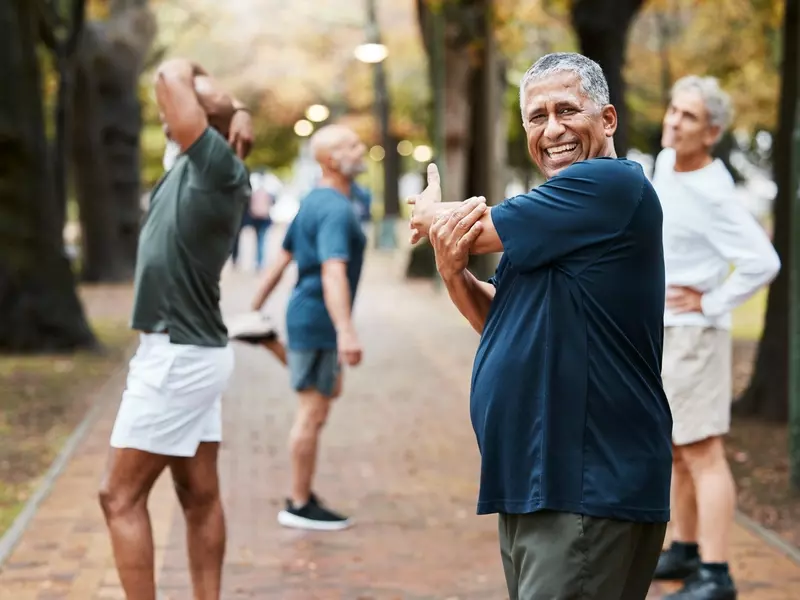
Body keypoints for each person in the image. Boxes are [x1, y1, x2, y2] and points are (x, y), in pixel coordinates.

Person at [409, 52, 672, 600]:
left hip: (586, 483)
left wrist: (430, 215)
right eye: (536, 116)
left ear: (607, 120)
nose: (551, 130)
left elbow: (465, 228)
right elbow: (500, 314)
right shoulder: (561, 213)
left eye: (566, 110)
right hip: (538, 482)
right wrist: (452, 271)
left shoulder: (608, 185)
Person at [98, 58, 253, 600]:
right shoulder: (194, 160)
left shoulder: (216, 167)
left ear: (203, 121)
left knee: (118, 497)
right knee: (198, 495)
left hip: (177, 358)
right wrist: (240, 108)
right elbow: (179, 90)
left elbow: (167, 73)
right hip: (191, 351)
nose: (167, 108)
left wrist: (213, 92)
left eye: (186, 103)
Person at [650, 76, 781, 600]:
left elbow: (762, 261)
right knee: (679, 449)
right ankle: (684, 548)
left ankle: (717, 572)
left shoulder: (715, 192)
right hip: (664, 330)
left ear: (712, 133)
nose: (674, 121)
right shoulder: (665, 165)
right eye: (673, 110)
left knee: (704, 451)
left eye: (688, 117)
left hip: (696, 337)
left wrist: (710, 301)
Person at [248, 124, 367, 531]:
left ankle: (268, 341)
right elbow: (334, 274)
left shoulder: (313, 202)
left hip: (308, 316)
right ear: (332, 160)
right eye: (351, 145)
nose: (360, 147)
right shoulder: (333, 208)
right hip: (318, 319)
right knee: (312, 412)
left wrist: (254, 308)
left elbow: (281, 259)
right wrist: (346, 331)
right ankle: (298, 503)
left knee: (329, 388)